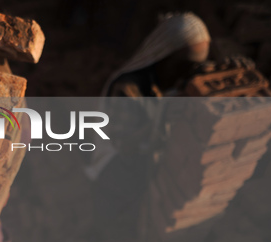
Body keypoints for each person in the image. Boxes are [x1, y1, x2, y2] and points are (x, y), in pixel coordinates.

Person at [84, 12, 211, 180]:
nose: (187, 76)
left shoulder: (173, 80)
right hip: (115, 172)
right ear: (163, 56)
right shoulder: (128, 89)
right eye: (183, 66)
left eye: (195, 68)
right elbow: (125, 147)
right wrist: (163, 117)